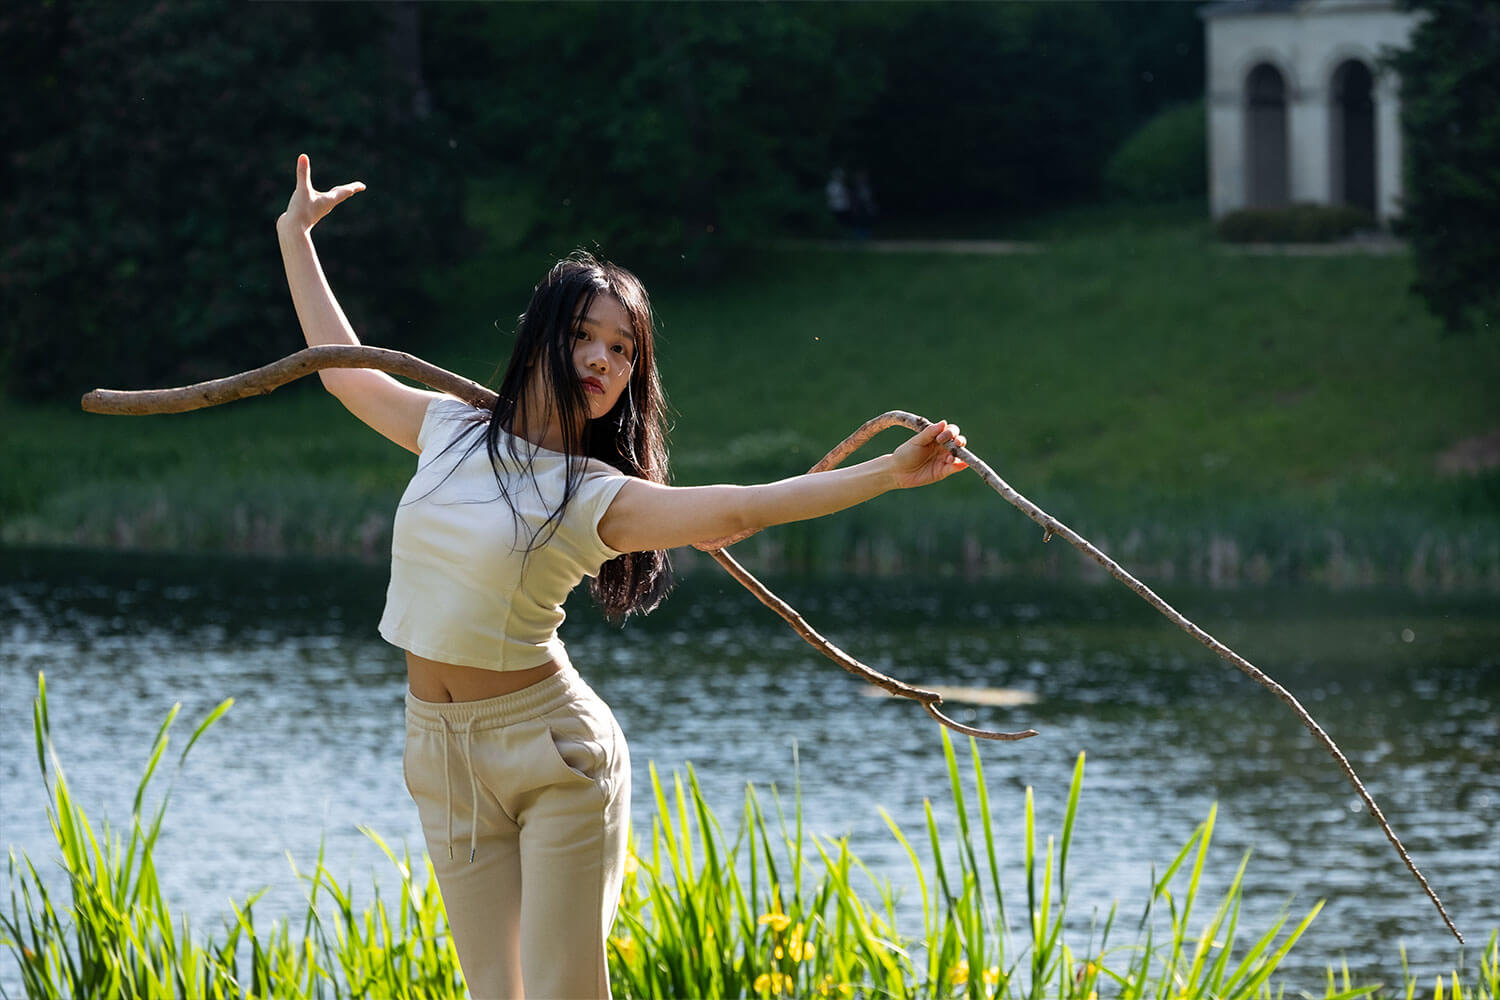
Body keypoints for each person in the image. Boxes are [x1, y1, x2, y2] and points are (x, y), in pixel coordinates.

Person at [276, 154, 969, 1000]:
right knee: (496, 992)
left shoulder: (595, 495)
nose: (603, 361)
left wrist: (887, 474)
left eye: (622, 350)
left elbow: (743, 508)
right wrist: (294, 237)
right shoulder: (448, 429)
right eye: (584, 337)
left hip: (552, 751)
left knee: (567, 990)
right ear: (542, 334)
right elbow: (344, 368)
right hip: (438, 746)